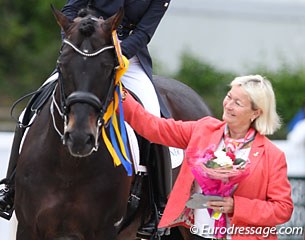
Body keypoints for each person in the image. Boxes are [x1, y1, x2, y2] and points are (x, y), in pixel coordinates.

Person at [0, 0, 172, 237]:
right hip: (83, 48)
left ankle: (159, 206)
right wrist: (74, 40)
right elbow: (70, 10)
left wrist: (118, 52)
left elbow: (145, 31)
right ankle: (10, 189)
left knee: (154, 114)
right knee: (28, 111)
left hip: (126, 56)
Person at [121, 74, 293, 239]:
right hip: (199, 234)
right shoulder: (204, 129)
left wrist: (236, 206)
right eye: (229, 96)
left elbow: (283, 209)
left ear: (255, 113)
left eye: (238, 103)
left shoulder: (273, 156)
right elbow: (153, 128)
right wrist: (121, 95)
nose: (228, 105)